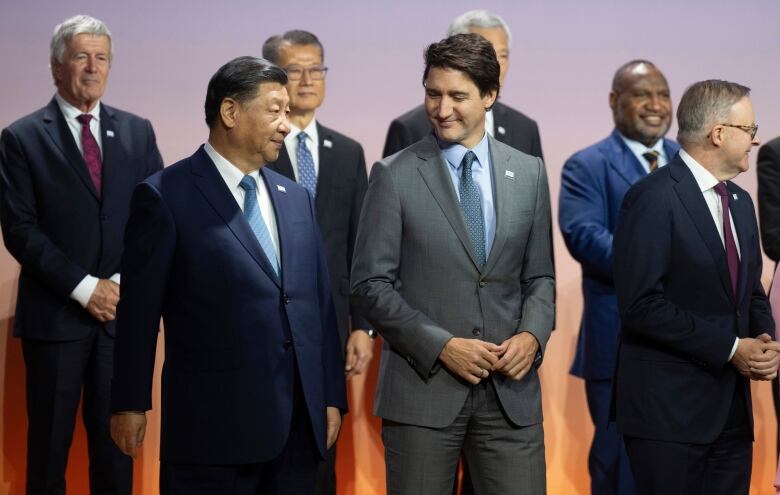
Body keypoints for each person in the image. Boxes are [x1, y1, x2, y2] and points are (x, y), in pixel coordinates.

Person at [109, 56, 346, 494]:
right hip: (213, 435)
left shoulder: (295, 198)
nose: (286, 125)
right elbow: (139, 314)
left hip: (299, 428)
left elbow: (320, 304)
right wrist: (129, 403)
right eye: (275, 110)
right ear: (231, 112)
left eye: (288, 112)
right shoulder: (165, 195)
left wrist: (331, 395)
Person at [351, 34, 554, 495]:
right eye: (432, 93)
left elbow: (540, 276)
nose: (442, 109)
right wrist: (441, 346)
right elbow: (369, 284)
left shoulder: (529, 172)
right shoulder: (393, 174)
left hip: (511, 397)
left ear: (489, 95)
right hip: (422, 393)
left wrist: (532, 335)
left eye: (457, 96)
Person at [0, 14, 163, 495]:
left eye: (102, 58)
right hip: (56, 321)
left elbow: (154, 220)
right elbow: (21, 230)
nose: (93, 68)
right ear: (56, 66)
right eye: (81, 56)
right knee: (48, 453)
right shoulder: (22, 137)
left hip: (120, 321)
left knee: (117, 455)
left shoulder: (137, 131)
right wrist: (85, 287)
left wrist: (119, 283)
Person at [612, 79, 779, 495]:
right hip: (669, 417)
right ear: (719, 134)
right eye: (750, 131)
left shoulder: (740, 203)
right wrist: (731, 348)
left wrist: (764, 343)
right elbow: (642, 305)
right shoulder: (652, 197)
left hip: (732, 417)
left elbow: (751, 292)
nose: (755, 142)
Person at [558, 60, 678, 495]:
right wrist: (669, 265)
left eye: (663, 94)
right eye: (642, 94)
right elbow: (586, 238)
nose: (655, 105)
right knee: (618, 470)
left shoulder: (689, 160)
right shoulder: (586, 166)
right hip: (618, 347)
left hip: (688, 350)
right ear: (614, 101)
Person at [262, 28, 374, 495]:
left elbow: (362, 246)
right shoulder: (257, 149)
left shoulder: (348, 152)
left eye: (316, 68)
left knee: (321, 446)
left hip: (330, 325)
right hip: (268, 323)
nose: (307, 79)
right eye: (294, 70)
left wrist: (361, 326)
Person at [382, 9, 542, 160]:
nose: (496, 66)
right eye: (483, 54)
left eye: (502, 55)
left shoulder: (525, 129)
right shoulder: (409, 129)